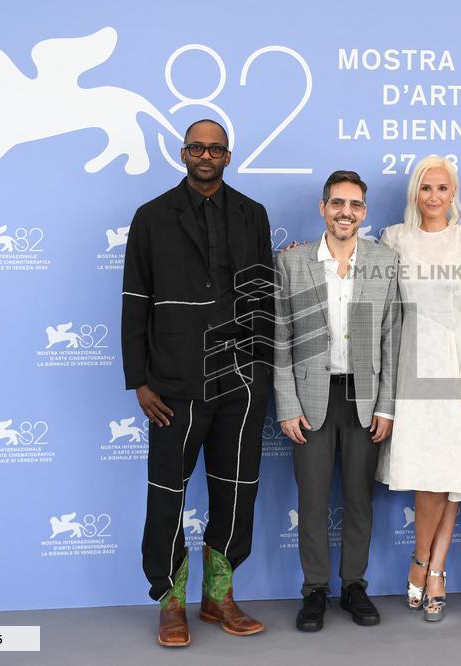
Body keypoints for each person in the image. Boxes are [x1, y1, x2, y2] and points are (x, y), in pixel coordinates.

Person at [121, 119, 275, 647]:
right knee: (168, 492)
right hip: (172, 382)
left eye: (215, 149)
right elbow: (135, 300)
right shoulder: (151, 217)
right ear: (182, 153)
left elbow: (262, 296)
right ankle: (170, 601)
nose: (205, 156)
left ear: (228, 156)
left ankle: (218, 597)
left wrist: (260, 373)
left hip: (241, 380)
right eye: (196, 148)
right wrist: (140, 381)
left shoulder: (252, 214)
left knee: (237, 490)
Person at [274, 170, 401, 632]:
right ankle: (314, 590)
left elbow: (391, 337)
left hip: (363, 399)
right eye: (337, 203)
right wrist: (287, 404)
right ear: (323, 208)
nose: (346, 212)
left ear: (364, 212)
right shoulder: (292, 263)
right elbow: (280, 338)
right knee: (311, 499)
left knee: (359, 499)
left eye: (355, 204)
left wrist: (386, 405)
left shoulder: (385, 261)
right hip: (311, 399)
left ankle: (353, 586)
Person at [376, 155, 461, 622]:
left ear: (453, 193)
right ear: (415, 192)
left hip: (459, 363)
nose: (434, 196)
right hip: (412, 365)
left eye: (442, 188)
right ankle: (428, 565)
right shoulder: (394, 238)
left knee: (450, 472)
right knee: (432, 474)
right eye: (426, 187)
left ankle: (429, 566)